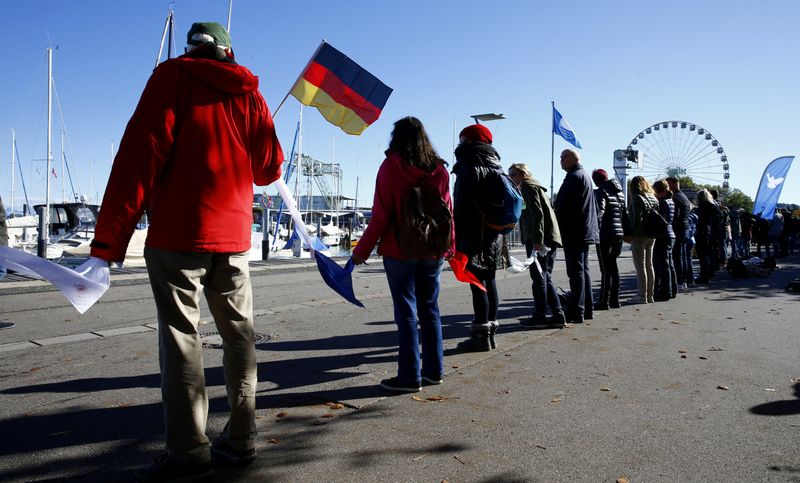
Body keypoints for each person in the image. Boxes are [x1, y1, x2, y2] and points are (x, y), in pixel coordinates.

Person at [89, 22, 283, 481]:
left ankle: (189, 450)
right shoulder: (250, 94)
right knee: (239, 337)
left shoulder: (171, 77)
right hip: (234, 239)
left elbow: (139, 158)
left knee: (181, 338)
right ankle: (243, 437)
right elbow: (268, 169)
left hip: (179, 235)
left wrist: (109, 242)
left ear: (192, 48)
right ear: (229, 53)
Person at [351, 117, 453, 393]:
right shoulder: (440, 169)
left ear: (396, 137)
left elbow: (381, 215)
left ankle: (409, 376)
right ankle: (434, 371)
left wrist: (361, 252)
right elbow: (447, 212)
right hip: (432, 250)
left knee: (406, 312)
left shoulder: (391, 167)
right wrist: (450, 247)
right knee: (430, 310)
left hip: (400, 248)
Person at [451, 124, 504, 351]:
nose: (460, 143)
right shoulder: (496, 165)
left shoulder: (469, 163)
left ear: (469, 140)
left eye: (463, 139)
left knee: (476, 283)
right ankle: (490, 333)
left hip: (474, 232)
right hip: (493, 233)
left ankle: (480, 336)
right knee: (489, 280)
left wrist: (455, 236)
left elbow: (461, 205)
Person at [508, 163, 566, 327]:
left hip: (540, 239)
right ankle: (556, 314)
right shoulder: (533, 187)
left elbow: (537, 214)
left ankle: (543, 315)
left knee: (539, 276)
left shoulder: (528, 187)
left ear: (523, 174)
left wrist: (537, 240)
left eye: (513, 174)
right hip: (546, 237)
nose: (510, 178)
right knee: (543, 276)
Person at [554, 149, 599, 322]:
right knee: (583, 270)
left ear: (572, 159)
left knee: (576, 272)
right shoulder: (583, 175)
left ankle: (577, 310)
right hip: (583, 230)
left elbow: (562, 206)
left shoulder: (574, 177)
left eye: (563, 157)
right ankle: (587, 308)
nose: (561, 160)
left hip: (574, 231)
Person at [625, 176, 658, 304]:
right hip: (651, 234)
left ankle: (641, 295)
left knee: (640, 266)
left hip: (639, 234)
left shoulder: (637, 198)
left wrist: (630, 232)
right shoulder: (652, 197)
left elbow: (635, 218)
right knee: (649, 265)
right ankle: (650, 295)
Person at [666, 176, 693, 290]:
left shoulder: (675, 198)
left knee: (677, 256)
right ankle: (686, 279)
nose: (667, 187)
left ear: (674, 184)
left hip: (678, 229)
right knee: (684, 256)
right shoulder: (684, 197)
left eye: (668, 184)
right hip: (685, 228)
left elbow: (675, 215)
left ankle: (680, 280)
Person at [652, 180, 676, 301]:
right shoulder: (671, 201)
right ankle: (672, 289)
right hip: (670, 234)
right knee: (669, 264)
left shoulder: (662, 203)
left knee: (662, 265)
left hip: (662, 235)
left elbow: (660, 220)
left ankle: (665, 291)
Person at [694, 189, 720, 283]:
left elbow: (700, 220)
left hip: (702, 231)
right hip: (710, 231)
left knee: (702, 255)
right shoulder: (713, 206)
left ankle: (704, 275)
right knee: (709, 253)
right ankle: (709, 273)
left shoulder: (702, 206)